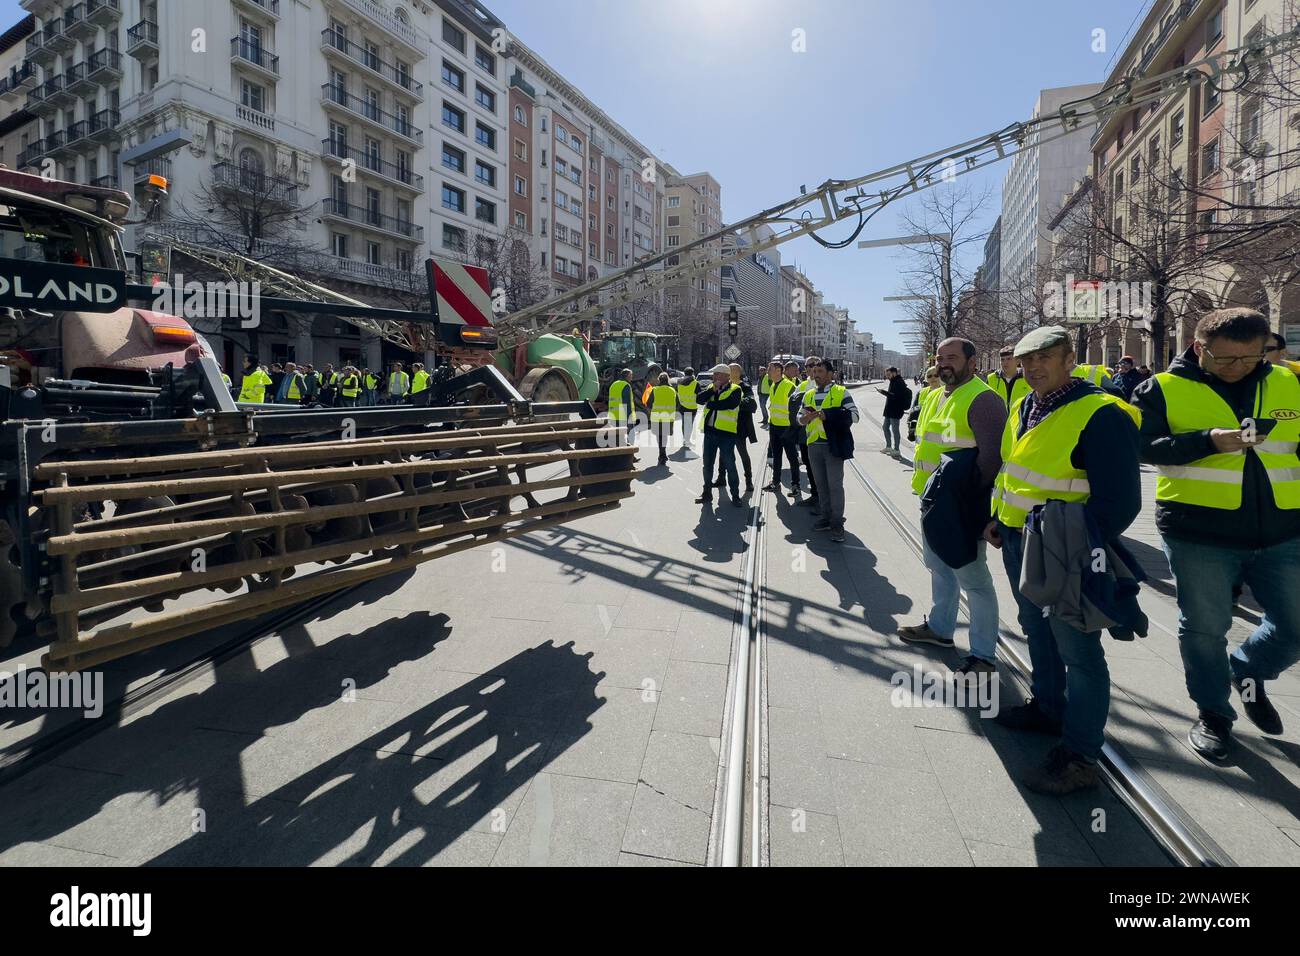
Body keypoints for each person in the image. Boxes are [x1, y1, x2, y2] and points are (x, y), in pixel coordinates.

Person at [1131, 308, 1300, 760]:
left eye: (1252, 357)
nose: (1240, 367)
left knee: (1295, 626)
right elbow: (1143, 447)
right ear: (1199, 348)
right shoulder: (1162, 388)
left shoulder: (1286, 381)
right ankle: (1213, 714)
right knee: (1205, 630)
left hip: (1284, 530)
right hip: (1198, 533)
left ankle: (1246, 670)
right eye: (1226, 359)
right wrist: (1207, 440)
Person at [986, 325, 1142, 794]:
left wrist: (1074, 544)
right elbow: (1013, 471)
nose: (1033, 368)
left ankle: (1080, 757)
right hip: (1018, 540)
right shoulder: (1024, 405)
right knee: (1035, 626)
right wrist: (998, 516)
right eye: (1027, 361)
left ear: (1070, 359)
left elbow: (1121, 502)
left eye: (1045, 359)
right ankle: (1048, 708)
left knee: (1080, 651)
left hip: (1063, 552)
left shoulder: (1101, 413)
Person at [898, 338, 1005, 674]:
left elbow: (992, 458)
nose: (944, 363)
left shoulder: (984, 399)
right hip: (934, 500)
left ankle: (984, 655)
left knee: (974, 580)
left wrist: (973, 502)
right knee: (939, 567)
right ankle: (941, 629)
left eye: (953, 357)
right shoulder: (936, 395)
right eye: (940, 358)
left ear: (972, 362)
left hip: (961, 504)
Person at [799, 357, 857, 542]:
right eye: (814, 372)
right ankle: (825, 517)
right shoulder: (808, 394)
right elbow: (798, 418)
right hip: (813, 445)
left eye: (820, 372)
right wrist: (805, 419)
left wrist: (828, 415)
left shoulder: (841, 392)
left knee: (834, 486)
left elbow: (854, 416)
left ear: (831, 374)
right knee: (821, 485)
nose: (815, 375)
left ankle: (837, 523)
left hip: (833, 445)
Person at [694, 363, 743, 507]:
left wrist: (710, 404)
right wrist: (712, 391)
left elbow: (729, 404)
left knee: (730, 465)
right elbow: (699, 399)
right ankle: (707, 493)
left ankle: (735, 495)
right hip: (710, 432)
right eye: (714, 374)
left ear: (726, 376)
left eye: (717, 374)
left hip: (726, 434)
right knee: (707, 465)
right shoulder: (711, 388)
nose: (714, 376)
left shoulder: (736, 389)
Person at [712, 363, 757, 496]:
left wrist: (734, 403)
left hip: (740, 427)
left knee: (743, 453)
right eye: (729, 370)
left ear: (739, 372)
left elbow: (752, 404)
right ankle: (721, 478)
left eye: (733, 370)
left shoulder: (745, 387)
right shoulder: (726, 387)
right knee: (723, 454)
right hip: (724, 427)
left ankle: (748, 480)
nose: (731, 372)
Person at [763, 361, 802, 496]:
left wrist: (793, 427)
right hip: (774, 426)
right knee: (776, 456)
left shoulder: (789, 386)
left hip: (787, 427)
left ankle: (795, 485)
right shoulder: (774, 385)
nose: (768, 371)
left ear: (778, 371)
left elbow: (797, 408)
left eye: (770, 369)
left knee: (792, 457)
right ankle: (775, 482)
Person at [793, 357, 820, 511]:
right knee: (808, 464)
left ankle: (823, 501)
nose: (808, 368)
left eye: (812, 365)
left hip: (819, 435)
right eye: (807, 366)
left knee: (819, 468)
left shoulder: (822, 384)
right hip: (804, 432)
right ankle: (815, 496)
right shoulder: (803, 384)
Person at [876, 366, 912, 459]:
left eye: (888, 374)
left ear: (894, 373)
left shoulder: (899, 382)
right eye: (886, 375)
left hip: (895, 410)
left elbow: (896, 396)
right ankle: (888, 446)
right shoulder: (893, 381)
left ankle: (896, 449)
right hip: (889, 410)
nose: (887, 376)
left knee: (895, 430)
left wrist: (883, 392)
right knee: (885, 427)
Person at [649, 371, 677, 466]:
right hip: (668, 417)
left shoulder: (655, 390)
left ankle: (662, 454)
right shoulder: (672, 390)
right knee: (664, 436)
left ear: (659, 380)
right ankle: (663, 454)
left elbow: (649, 403)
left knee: (659, 436)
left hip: (657, 417)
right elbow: (678, 404)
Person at [907, 366, 941, 443]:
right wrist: (911, 429)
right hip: (921, 432)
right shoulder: (921, 392)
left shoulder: (946, 392)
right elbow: (913, 411)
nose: (933, 378)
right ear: (926, 379)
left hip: (938, 433)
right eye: (929, 376)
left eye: (936, 375)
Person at [607, 368, 635, 443]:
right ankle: (630, 453)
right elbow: (627, 402)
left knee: (617, 437)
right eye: (631, 375)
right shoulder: (626, 385)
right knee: (630, 435)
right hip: (623, 416)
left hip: (613, 415)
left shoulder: (613, 384)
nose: (632, 377)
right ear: (627, 376)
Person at [675, 367, 698, 452]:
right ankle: (687, 441)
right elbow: (699, 394)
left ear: (684, 373)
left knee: (684, 424)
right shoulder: (695, 383)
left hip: (682, 406)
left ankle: (685, 440)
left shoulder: (679, 382)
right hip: (692, 407)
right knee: (689, 425)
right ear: (692, 373)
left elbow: (677, 392)